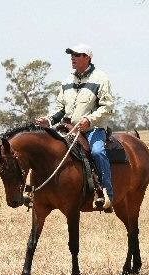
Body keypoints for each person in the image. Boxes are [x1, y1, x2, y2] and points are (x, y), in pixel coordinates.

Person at [36, 43, 114, 209]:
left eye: (77, 55)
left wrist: (90, 120)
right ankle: (35, 192)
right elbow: (61, 109)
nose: (73, 57)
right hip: (67, 128)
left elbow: (107, 107)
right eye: (71, 55)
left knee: (98, 152)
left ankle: (107, 192)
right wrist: (49, 120)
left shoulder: (101, 78)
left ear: (87, 58)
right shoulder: (66, 81)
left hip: (93, 129)